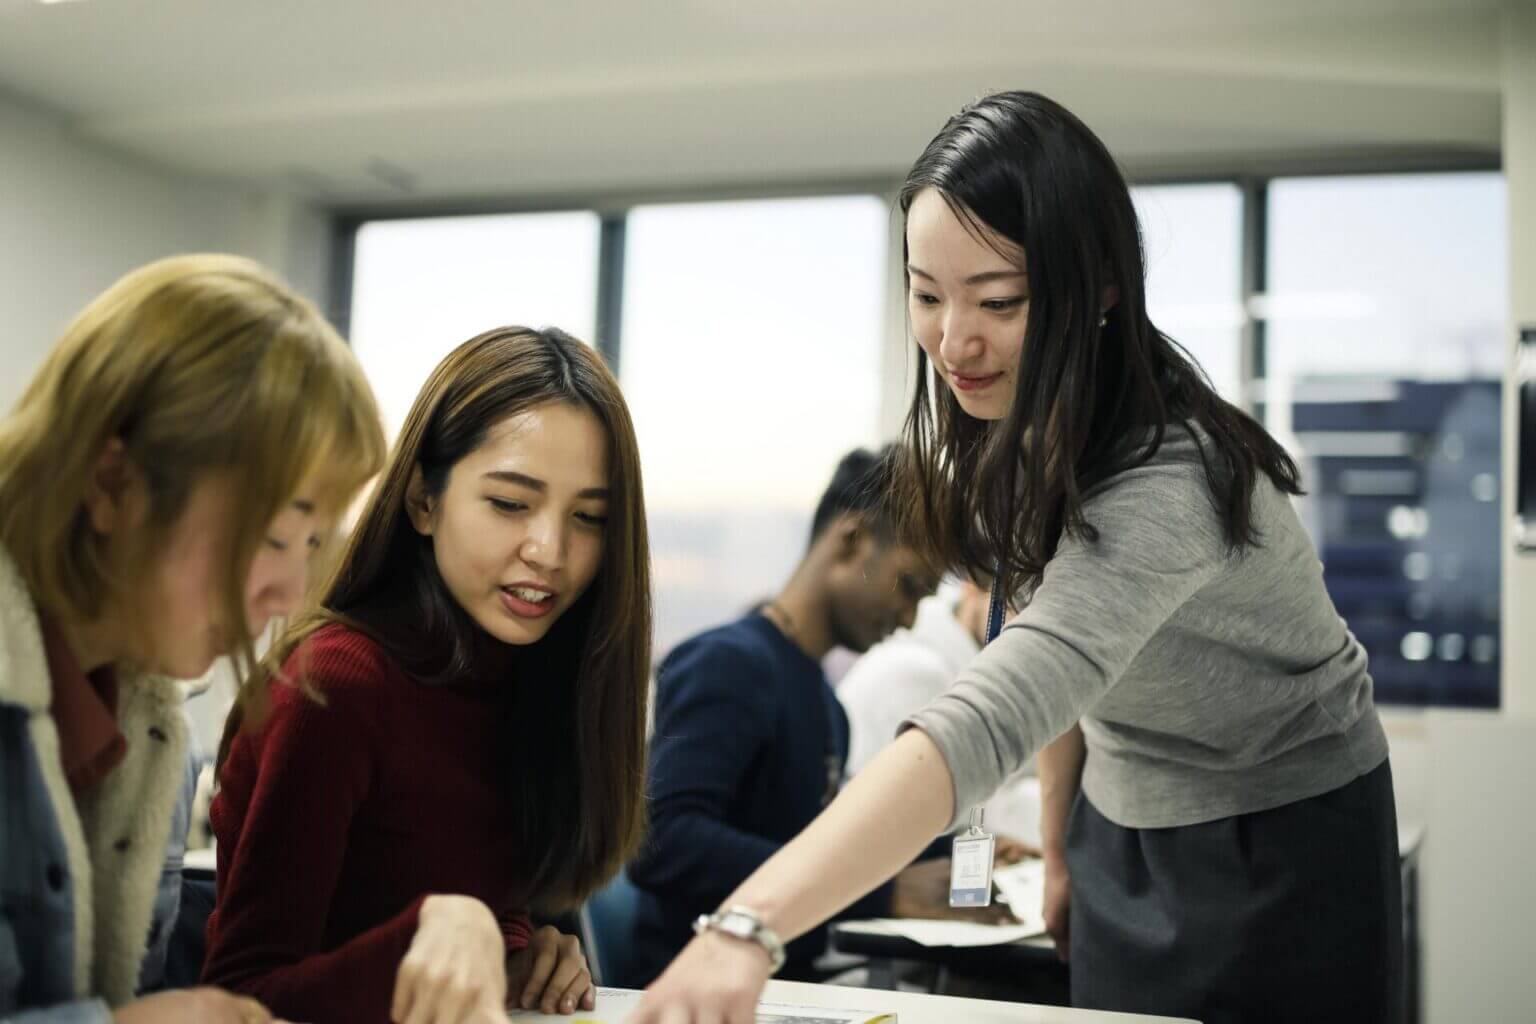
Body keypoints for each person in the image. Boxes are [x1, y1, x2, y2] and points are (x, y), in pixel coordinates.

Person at [634, 90, 1402, 1024]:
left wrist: (746, 927)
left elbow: (996, 707)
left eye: (998, 300)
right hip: (1118, 813)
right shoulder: (1017, 435)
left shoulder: (1174, 482)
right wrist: (1063, 840)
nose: (954, 342)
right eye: (925, 294)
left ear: (1101, 289)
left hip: (1277, 825)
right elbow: (1064, 665)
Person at [202, 327, 653, 1024]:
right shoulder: (334, 684)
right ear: (422, 500)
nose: (551, 551)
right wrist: (432, 935)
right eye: (509, 503)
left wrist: (514, 952)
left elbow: (473, 895)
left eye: (589, 518)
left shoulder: (539, 675)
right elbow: (241, 995)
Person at [0, 254, 386, 1023]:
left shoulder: (148, 719)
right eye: (273, 536)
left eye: (313, 547)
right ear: (112, 485)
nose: (289, 596)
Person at [628, 447, 1027, 987]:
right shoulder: (728, 663)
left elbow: (794, 834)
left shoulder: (823, 703)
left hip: (780, 984)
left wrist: (954, 853)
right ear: (851, 540)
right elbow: (662, 842)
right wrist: (885, 891)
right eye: (908, 585)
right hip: (692, 989)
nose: (909, 619)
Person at [838, 578, 1041, 847]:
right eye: (1020, 604)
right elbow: (961, 805)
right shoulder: (916, 670)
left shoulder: (984, 667)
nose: (1029, 628)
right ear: (974, 587)